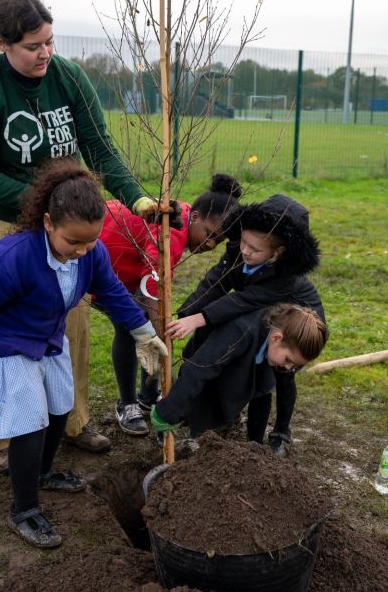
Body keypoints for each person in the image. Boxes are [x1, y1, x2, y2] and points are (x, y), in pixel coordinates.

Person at [0, 0, 167, 472]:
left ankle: (71, 422)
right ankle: (2, 439)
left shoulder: (67, 78)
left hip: (63, 220)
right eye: (32, 46)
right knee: (1, 325)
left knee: (71, 320)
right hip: (5, 218)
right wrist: (46, 204)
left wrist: (137, 199)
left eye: (49, 41)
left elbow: (100, 146)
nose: (45, 53)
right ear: (3, 44)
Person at [0, 160, 167, 548]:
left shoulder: (90, 254)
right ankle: (23, 509)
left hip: (47, 337)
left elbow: (111, 291)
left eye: (90, 241)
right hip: (6, 343)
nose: (82, 251)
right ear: (48, 223)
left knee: (61, 407)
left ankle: (42, 471)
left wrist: (144, 334)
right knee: (30, 422)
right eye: (72, 242)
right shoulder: (15, 256)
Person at [167, 194, 326, 455]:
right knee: (254, 366)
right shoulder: (240, 252)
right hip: (263, 315)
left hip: (298, 326)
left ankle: (277, 434)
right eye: (244, 242)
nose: (245, 251)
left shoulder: (284, 278)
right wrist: (185, 314)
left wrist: (197, 319)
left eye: (254, 249)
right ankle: (211, 412)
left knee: (277, 375)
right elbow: (216, 283)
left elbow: (241, 301)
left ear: (278, 253)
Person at [97, 174, 242, 435]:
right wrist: (159, 332)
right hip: (103, 257)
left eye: (217, 241)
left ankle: (149, 395)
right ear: (195, 216)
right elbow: (153, 290)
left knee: (145, 328)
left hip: (126, 270)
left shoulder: (184, 215)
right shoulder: (171, 233)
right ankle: (128, 404)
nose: (210, 244)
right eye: (209, 234)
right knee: (130, 328)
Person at [150, 303, 326, 438]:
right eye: (289, 360)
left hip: (236, 367)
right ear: (277, 338)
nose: (288, 367)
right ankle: (185, 421)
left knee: (265, 383)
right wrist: (169, 410)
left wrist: (255, 447)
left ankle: (244, 433)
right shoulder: (241, 331)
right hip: (207, 368)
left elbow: (263, 391)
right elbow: (198, 369)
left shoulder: (274, 340)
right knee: (199, 407)